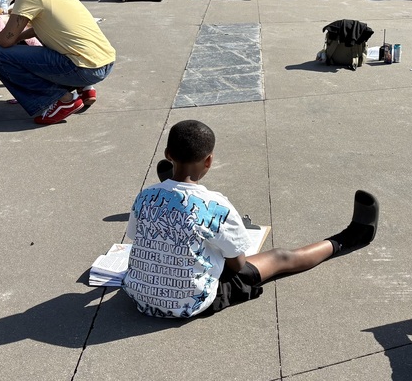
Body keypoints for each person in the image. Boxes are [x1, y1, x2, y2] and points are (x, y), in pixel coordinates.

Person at [123, 120, 380, 318]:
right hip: (192, 303)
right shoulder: (216, 206)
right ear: (209, 161)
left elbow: (136, 237)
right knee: (279, 257)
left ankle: (170, 194)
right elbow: (237, 265)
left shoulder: (144, 196)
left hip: (139, 298)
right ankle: (350, 238)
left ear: (168, 154)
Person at [0, 0, 115, 125]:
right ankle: (84, 88)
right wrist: (20, 37)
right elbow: (50, 28)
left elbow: (6, 40)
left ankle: (63, 100)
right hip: (104, 62)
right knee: (53, 42)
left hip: (82, 68)